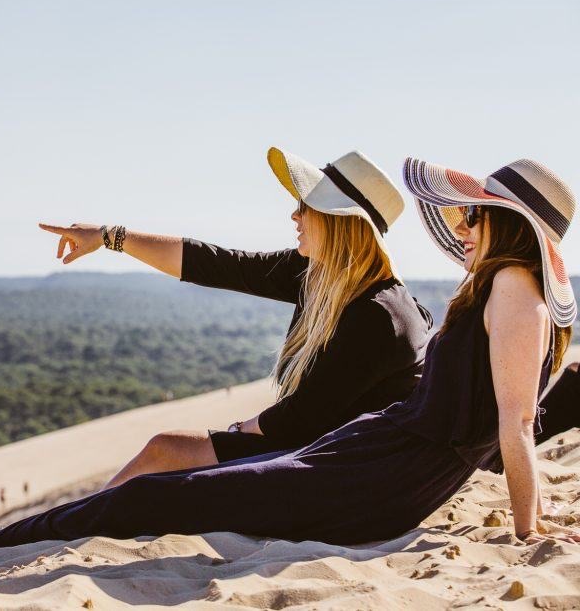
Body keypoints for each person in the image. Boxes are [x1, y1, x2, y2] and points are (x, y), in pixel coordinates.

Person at [0, 156, 580, 566]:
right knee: (160, 483)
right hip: (362, 459)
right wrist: (110, 236)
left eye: (474, 214)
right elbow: (212, 262)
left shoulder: (468, 300)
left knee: (153, 491)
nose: (462, 222)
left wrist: (529, 534)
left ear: (507, 223)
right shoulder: (339, 280)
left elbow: (515, 423)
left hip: (368, 474)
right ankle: (40, 535)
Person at [52, 147, 433, 489]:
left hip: (344, 472)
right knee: (166, 453)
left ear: (340, 222)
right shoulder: (319, 276)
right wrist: (109, 236)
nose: (295, 215)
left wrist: (237, 430)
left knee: (166, 451)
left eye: (306, 207)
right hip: (317, 452)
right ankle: (69, 523)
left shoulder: (380, 315)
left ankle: (63, 527)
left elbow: (301, 419)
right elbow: (216, 264)